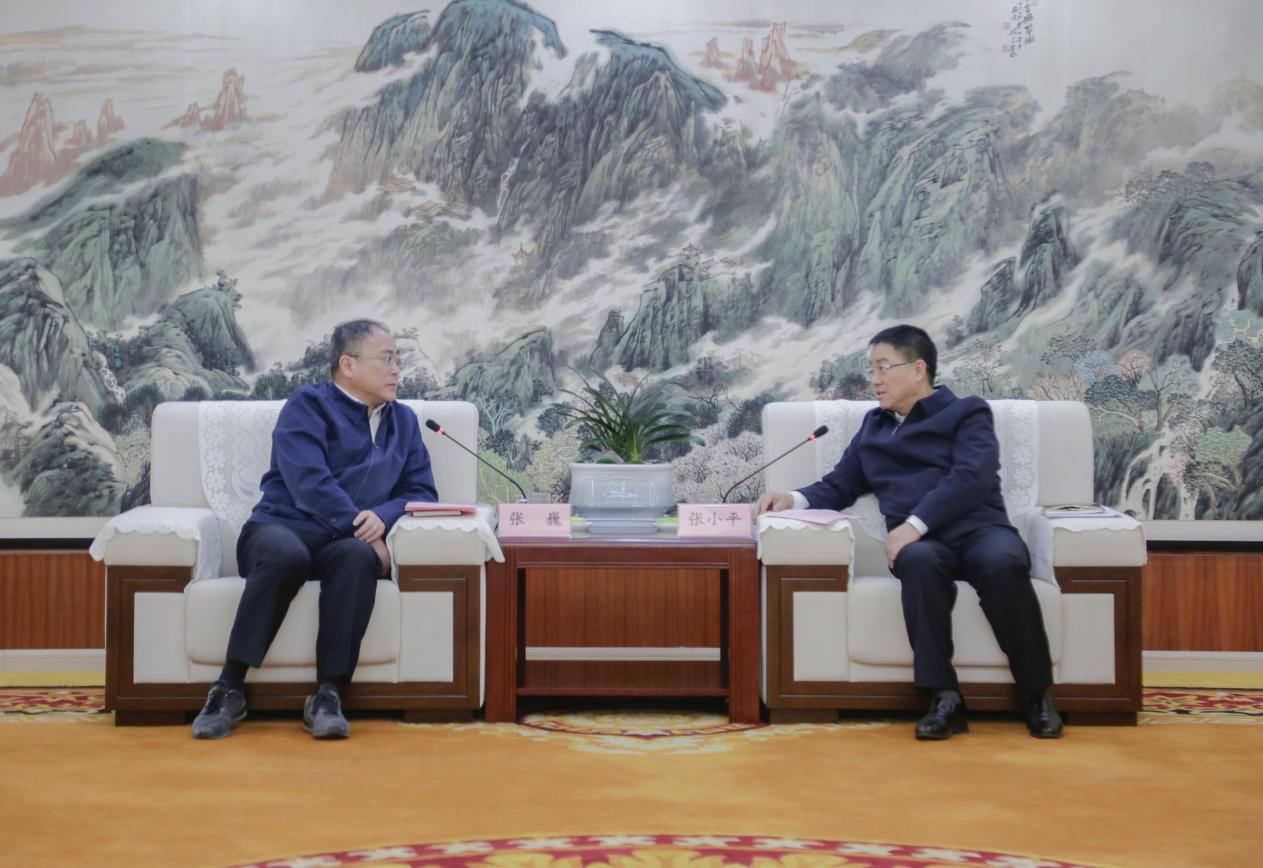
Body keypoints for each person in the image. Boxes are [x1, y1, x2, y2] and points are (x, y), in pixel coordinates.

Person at [756, 324, 1063, 740]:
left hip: (980, 529)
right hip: (924, 546)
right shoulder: (873, 426)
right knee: (917, 562)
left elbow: (972, 476)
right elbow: (841, 484)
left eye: (883, 367)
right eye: (872, 370)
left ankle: (1036, 693)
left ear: (918, 369)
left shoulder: (967, 412)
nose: (875, 380)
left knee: (1002, 563)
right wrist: (791, 499)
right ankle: (944, 698)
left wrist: (913, 525)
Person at [192, 319, 437, 740]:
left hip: (340, 544)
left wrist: (383, 516)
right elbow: (309, 484)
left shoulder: (404, 421)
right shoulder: (308, 405)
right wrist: (367, 531)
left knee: (357, 557)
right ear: (348, 364)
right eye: (386, 359)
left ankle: (328, 695)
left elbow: (421, 491)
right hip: (280, 528)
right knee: (288, 555)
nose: (397, 369)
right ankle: (228, 687)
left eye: (398, 359)